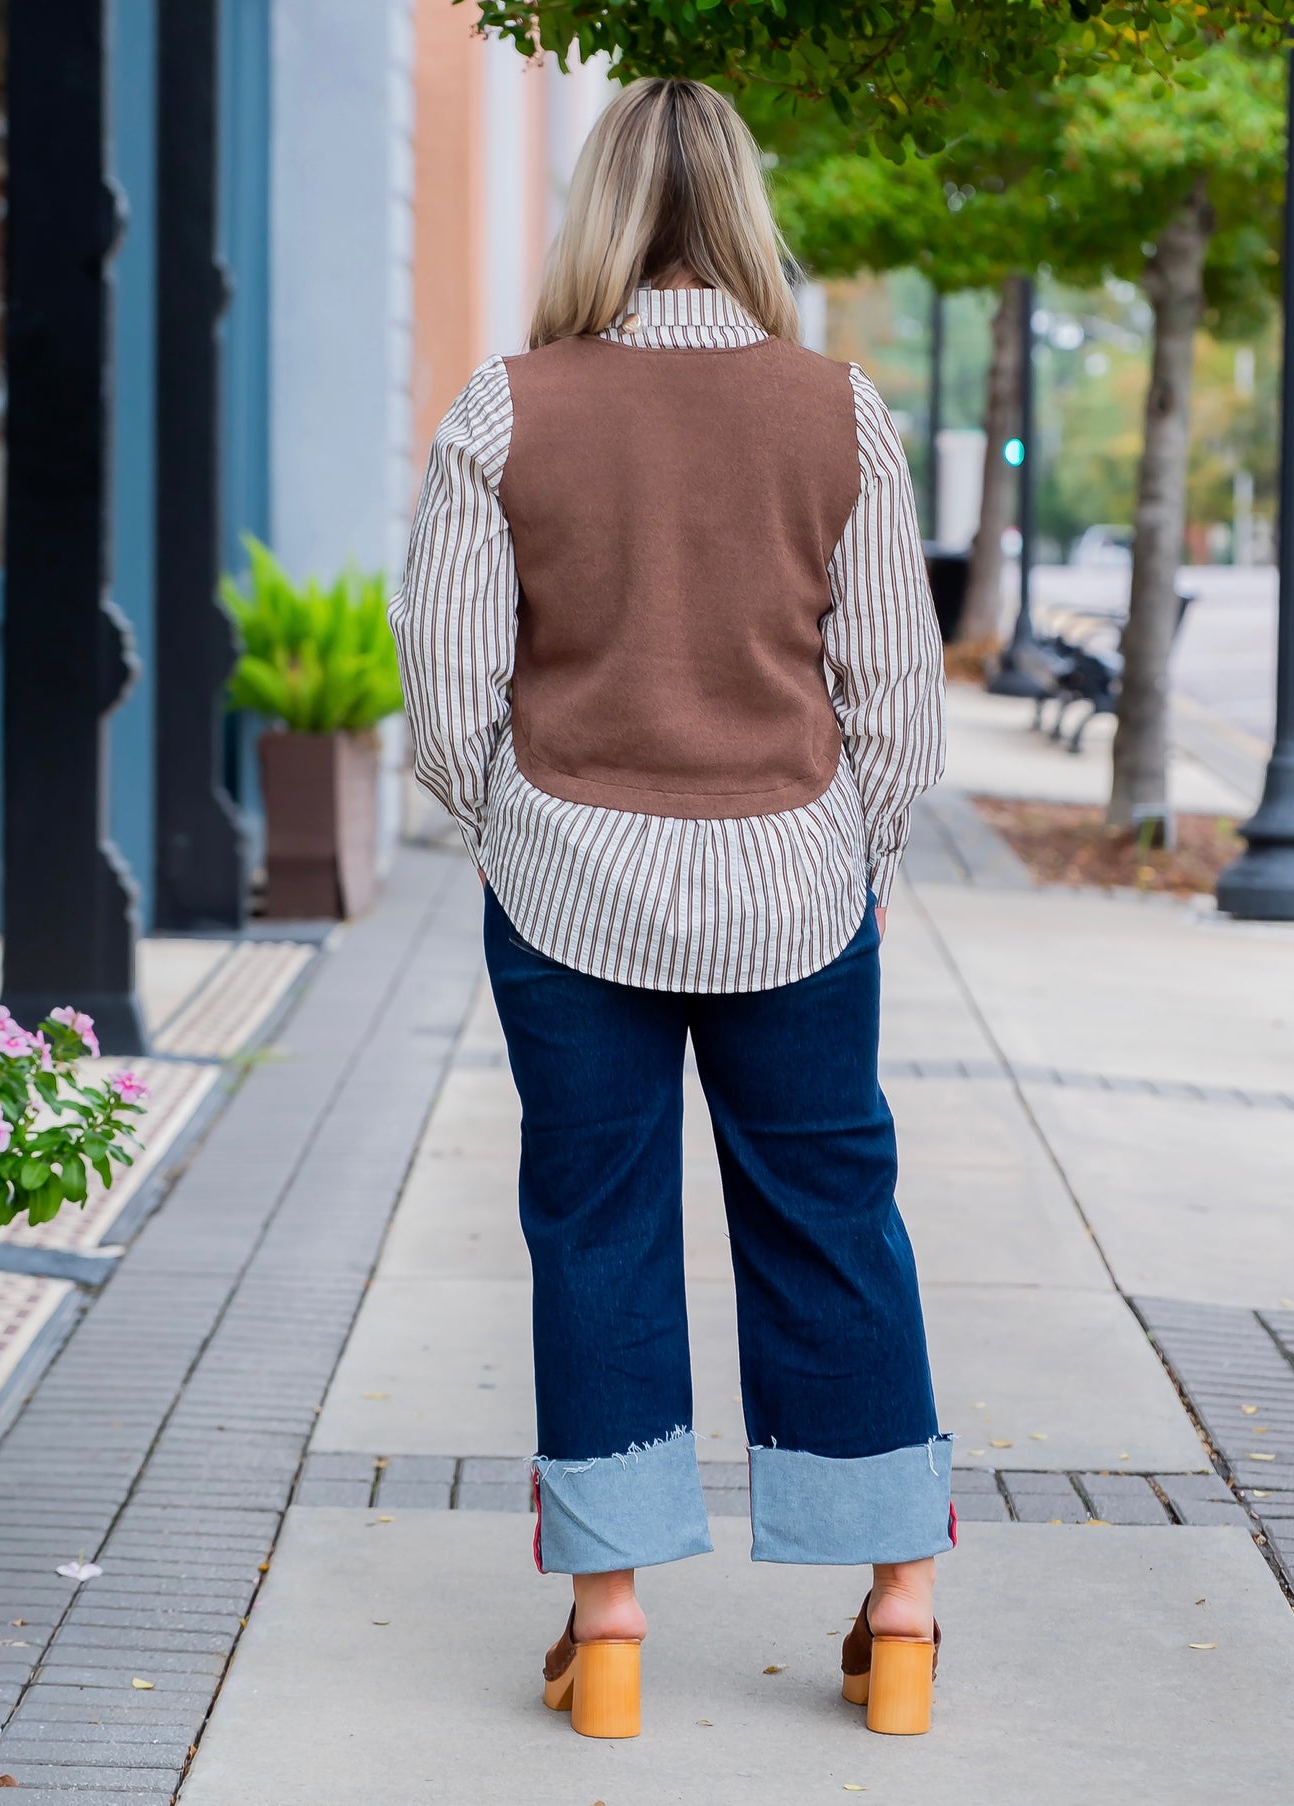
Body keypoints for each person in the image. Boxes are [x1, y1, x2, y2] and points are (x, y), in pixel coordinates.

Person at [390, 74, 953, 1741]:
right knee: (831, 1211)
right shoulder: (837, 410)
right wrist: (840, 850)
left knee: (596, 1224)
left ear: (597, 218)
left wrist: (514, 827)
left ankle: (612, 1619)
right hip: (793, 875)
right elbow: (899, 707)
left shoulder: (504, 411)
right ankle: (900, 1612)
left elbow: (441, 693)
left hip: (570, 880)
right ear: (747, 217)